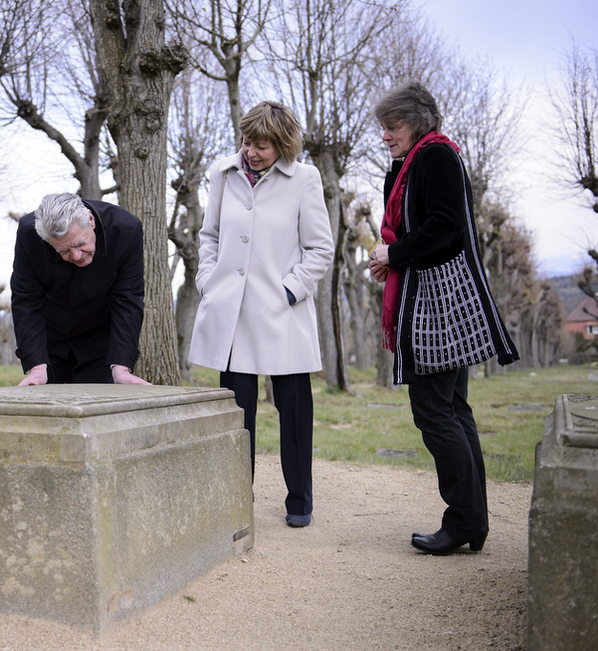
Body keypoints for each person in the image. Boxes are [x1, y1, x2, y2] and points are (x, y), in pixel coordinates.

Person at [368, 81, 519, 554]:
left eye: (392, 127)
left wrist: (394, 253)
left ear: (417, 121)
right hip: (439, 299)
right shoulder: (418, 160)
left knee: (435, 411)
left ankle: (463, 520)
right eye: (385, 129)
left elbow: (446, 228)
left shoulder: (435, 156)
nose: (386, 136)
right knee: (454, 410)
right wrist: (392, 253)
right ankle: (472, 520)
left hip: (436, 306)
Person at [188, 101, 334, 528]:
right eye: (247, 142)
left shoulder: (305, 178)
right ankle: (238, 498)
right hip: (231, 315)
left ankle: (299, 500)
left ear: (284, 144)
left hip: (281, 313)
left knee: (293, 413)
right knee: (237, 415)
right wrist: (207, 279)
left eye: (263, 146)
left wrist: (290, 290)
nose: (252, 152)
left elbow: (320, 249)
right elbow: (210, 235)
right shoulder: (221, 173)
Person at [10, 192, 150, 386]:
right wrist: (36, 367)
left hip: (101, 339)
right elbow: (26, 299)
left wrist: (121, 366)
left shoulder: (126, 230)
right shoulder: (28, 233)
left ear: (90, 221)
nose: (76, 256)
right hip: (50, 340)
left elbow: (128, 298)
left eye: (80, 244)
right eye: (64, 251)